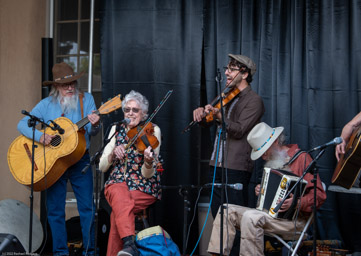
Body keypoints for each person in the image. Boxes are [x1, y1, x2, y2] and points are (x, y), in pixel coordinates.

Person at [17, 62, 100, 255]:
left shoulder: (85, 100)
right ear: (56, 87)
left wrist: (95, 124)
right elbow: (22, 124)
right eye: (65, 85)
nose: (70, 88)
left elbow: (92, 132)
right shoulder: (46, 105)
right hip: (54, 163)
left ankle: (90, 251)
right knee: (55, 210)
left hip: (80, 160)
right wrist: (41, 137)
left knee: (87, 207)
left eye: (72, 83)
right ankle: (60, 252)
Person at [207, 122, 327, 256]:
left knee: (251, 216)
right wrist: (261, 191)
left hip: (294, 223)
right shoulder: (272, 162)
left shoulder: (302, 158)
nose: (263, 157)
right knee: (225, 210)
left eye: (264, 151)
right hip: (268, 217)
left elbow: (320, 196)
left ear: (275, 141)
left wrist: (296, 202)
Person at [193, 54, 265, 218]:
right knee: (216, 215)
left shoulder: (254, 101)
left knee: (235, 217)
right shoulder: (225, 95)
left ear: (244, 74)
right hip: (216, 163)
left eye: (232, 70)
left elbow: (239, 130)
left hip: (236, 166)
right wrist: (201, 115)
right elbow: (208, 121)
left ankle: (236, 246)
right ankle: (221, 246)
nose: (226, 73)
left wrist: (220, 117)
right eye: (227, 69)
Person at [99, 90, 162, 256]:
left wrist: (148, 161)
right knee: (119, 194)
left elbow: (148, 174)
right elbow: (102, 166)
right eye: (127, 110)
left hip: (143, 187)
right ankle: (129, 246)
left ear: (144, 113)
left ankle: (128, 245)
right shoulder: (116, 129)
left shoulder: (153, 131)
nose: (131, 113)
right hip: (116, 183)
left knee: (118, 212)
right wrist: (112, 154)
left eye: (135, 110)